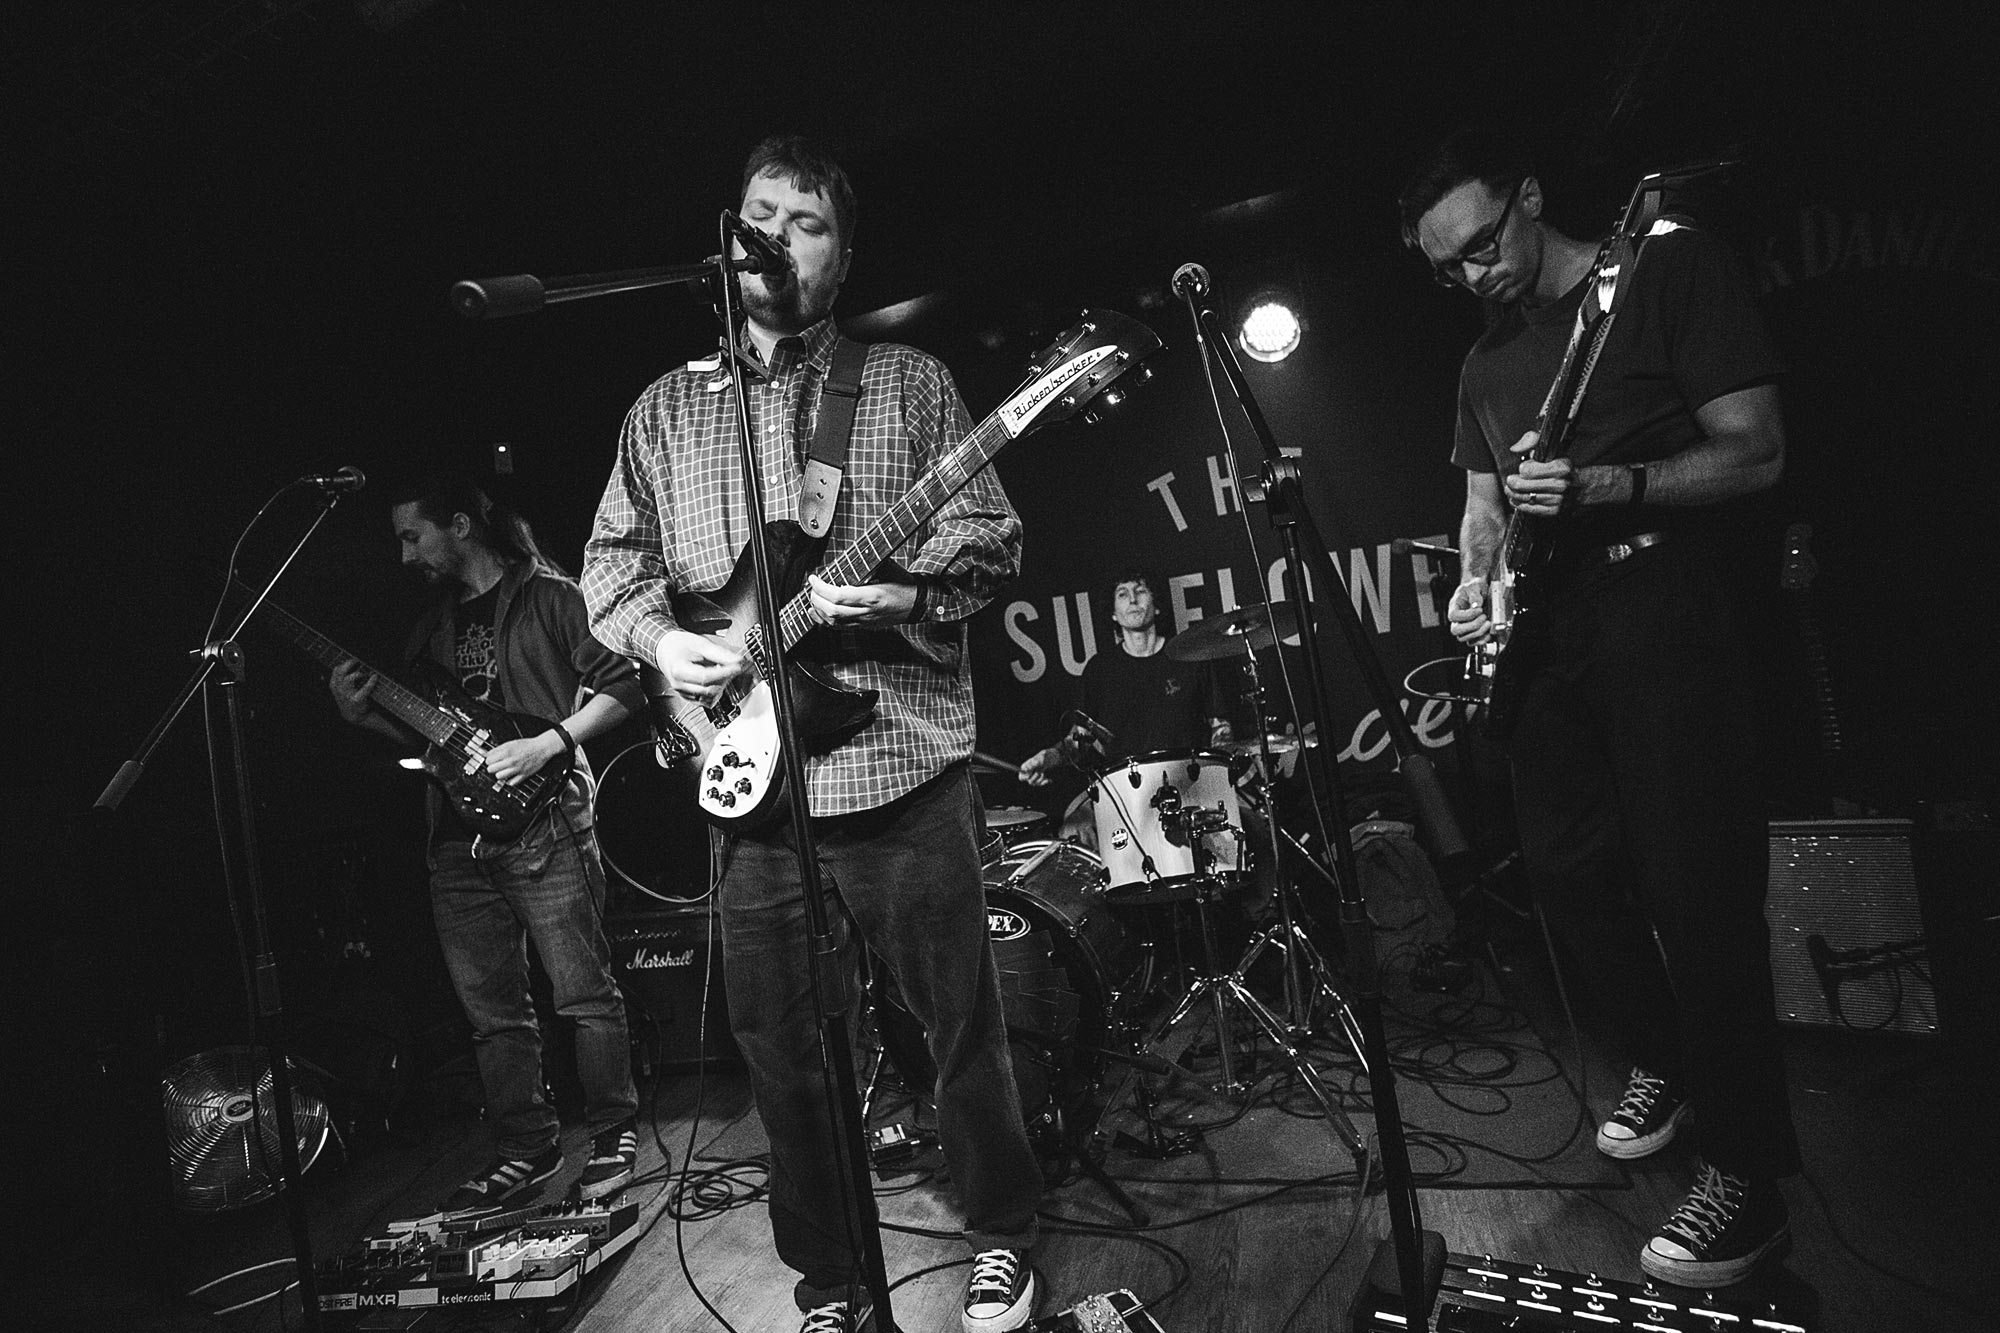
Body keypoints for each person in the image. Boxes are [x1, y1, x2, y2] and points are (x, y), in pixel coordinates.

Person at [581, 136, 1041, 1333]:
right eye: (758, 215)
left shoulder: (905, 383)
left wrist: (901, 595)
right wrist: (661, 646)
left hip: (896, 769)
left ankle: (1000, 1234)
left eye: (806, 221)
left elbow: (991, 539)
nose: (774, 238)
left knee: (957, 1033)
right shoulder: (666, 410)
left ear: (841, 256)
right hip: (749, 788)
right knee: (780, 1056)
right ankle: (833, 1281)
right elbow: (609, 569)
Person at [1401, 128, 1800, 1288]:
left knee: (1696, 892)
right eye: (1446, 268)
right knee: (1566, 877)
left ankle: (1747, 1176)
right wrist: (1473, 583)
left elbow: (1755, 451)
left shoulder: (1664, 271)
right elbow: (1480, 507)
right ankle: (1665, 1063)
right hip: (1546, 631)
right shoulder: (1483, 362)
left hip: (1659, 598)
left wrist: (1608, 483)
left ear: (1528, 197)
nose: (1473, 276)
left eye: (1481, 246)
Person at [328, 475, 643, 1211]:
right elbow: (434, 746)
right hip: (456, 840)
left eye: (414, 536)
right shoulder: (430, 629)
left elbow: (625, 687)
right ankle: (526, 1145)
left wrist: (548, 743)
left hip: (546, 822)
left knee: (583, 992)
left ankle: (613, 1132)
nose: (406, 555)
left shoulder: (554, 597)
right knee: (492, 1014)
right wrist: (362, 717)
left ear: (460, 525)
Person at [1019, 569, 1232, 787]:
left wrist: (1219, 777)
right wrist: (1046, 758)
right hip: (1126, 791)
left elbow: (1220, 727)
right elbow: (1078, 742)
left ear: (1157, 606)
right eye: (1122, 594)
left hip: (1191, 783)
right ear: (1113, 613)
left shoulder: (1191, 657)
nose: (1132, 599)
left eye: (1140, 591)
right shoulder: (1099, 670)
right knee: (1082, 812)